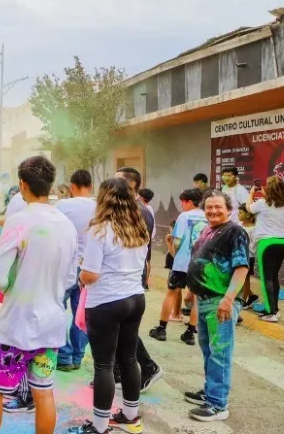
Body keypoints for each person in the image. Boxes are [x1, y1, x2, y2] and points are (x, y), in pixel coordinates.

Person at [0, 156, 77, 434]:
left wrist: (12, 283)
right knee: (43, 393)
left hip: (15, 325)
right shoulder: (66, 225)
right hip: (52, 325)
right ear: (50, 184)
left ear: (23, 184)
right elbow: (71, 279)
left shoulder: (19, 221)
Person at [70, 177, 151, 434]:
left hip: (106, 301)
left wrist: (81, 274)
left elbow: (90, 274)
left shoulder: (100, 230)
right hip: (135, 298)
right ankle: (130, 416)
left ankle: (100, 425)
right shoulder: (139, 227)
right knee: (129, 358)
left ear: (103, 198)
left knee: (103, 365)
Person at [184, 190, 249, 422]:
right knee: (209, 351)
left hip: (220, 301)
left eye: (218, 207)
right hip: (204, 300)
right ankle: (210, 391)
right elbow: (200, 261)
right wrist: (191, 290)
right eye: (209, 207)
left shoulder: (235, 231)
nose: (213, 211)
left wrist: (228, 299)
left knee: (220, 353)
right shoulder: (207, 230)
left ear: (229, 209)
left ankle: (218, 404)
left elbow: (241, 267)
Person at [109, 167, 163, 392]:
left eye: (117, 181)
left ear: (131, 185)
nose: (112, 184)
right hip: (125, 276)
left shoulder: (136, 211)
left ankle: (148, 367)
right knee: (118, 327)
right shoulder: (132, 208)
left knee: (123, 328)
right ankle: (117, 371)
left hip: (127, 276)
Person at [149, 188, 205, 345]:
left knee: (171, 294)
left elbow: (178, 241)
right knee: (197, 298)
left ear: (189, 202)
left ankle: (161, 329)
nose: (182, 205)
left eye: (183, 202)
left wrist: (172, 250)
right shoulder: (207, 216)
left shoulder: (184, 216)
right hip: (200, 264)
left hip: (182, 264)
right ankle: (190, 333)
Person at [54, 170, 96, 373]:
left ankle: (64, 356)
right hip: (89, 267)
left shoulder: (61, 206)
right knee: (82, 313)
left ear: (72, 187)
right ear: (91, 186)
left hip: (66, 266)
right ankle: (78, 356)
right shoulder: (100, 207)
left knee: (57, 309)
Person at [247, 176, 284, 322]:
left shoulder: (262, 203)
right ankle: (275, 309)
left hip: (267, 244)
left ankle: (270, 312)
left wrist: (252, 193)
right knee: (273, 277)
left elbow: (249, 208)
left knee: (266, 279)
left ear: (269, 188)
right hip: (283, 242)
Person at [237, 205, 258, 311]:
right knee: (238, 278)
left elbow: (253, 247)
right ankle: (252, 296)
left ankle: (243, 300)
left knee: (245, 279)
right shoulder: (238, 225)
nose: (238, 214)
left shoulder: (254, 229)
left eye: (240, 212)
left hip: (248, 256)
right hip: (237, 255)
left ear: (248, 214)